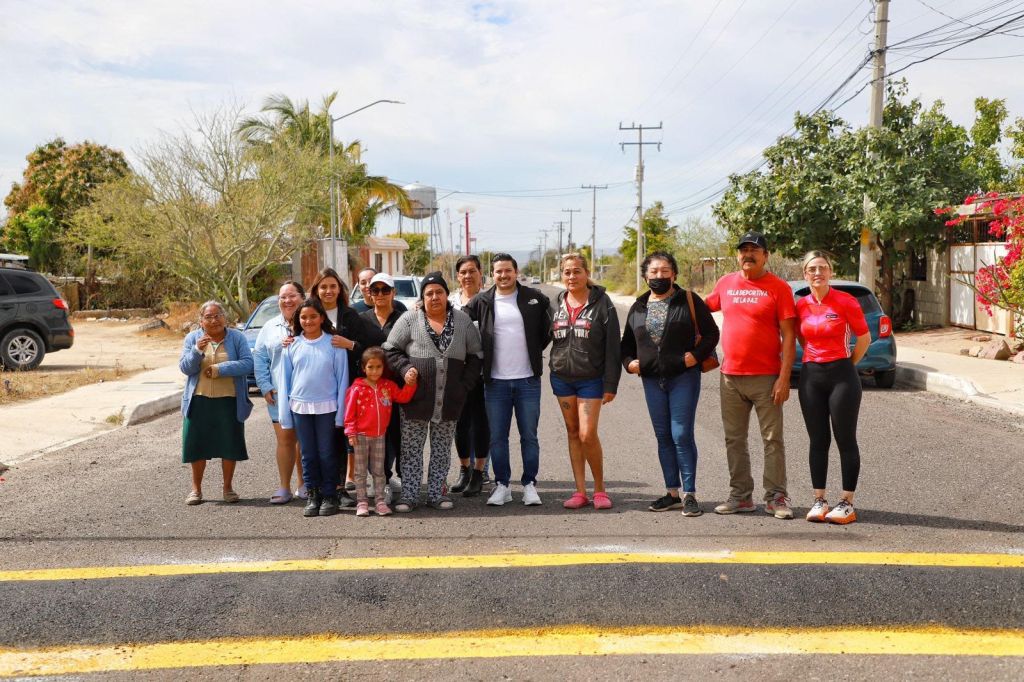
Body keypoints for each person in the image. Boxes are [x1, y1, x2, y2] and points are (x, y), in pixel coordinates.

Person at [705, 231, 797, 519]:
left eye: (754, 250)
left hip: (767, 377)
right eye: (743, 250)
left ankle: (776, 497)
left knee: (772, 439)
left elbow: (789, 336)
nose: (748, 254)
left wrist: (784, 378)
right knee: (734, 440)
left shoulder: (778, 288)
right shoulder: (725, 284)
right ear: (737, 255)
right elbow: (698, 308)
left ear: (765, 256)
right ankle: (740, 496)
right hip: (730, 376)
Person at [621, 252, 720, 517]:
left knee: (681, 434)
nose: (659, 276)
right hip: (652, 380)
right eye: (653, 272)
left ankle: (690, 494)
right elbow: (626, 345)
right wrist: (629, 363)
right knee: (663, 436)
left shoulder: (688, 300)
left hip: (683, 377)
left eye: (665, 271)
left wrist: (695, 357)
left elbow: (712, 333)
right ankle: (672, 493)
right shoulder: (638, 306)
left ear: (674, 274)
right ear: (645, 276)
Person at [384, 272, 483, 512]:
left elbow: (476, 356)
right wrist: (405, 368)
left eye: (439, 292)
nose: (434, 297)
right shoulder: (409, 319)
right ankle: (409, 495)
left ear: (447, 295)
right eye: (429, 293)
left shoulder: (462, 322)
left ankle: (437, 493)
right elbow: (390, 349)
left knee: (441, 449)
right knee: (411, 450)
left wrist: (464, 386)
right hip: (415, 399)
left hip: (449, 400)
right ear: (423, 297)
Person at [464, 254, 552, 507]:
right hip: (495, 382)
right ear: (492, 275)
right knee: (498, 437)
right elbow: (458, 319)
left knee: (529, 436)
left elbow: (548, 330)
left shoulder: (534, 298)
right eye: (498, 272)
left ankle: (529, 485)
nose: (503, 276)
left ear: (516, 271)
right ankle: (502, 485)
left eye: (507, 271)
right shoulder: (482, 300)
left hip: (527, 381)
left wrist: (534, 351)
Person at [796, 251, 870, 525]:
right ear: (805, 274)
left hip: (842, 376)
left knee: (845, 439)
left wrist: (847, 364)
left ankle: (847, 502)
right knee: (817, 440)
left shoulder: (845, 301)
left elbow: (864, 338)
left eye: (823, 268)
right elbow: (803, 339)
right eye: (812, 269)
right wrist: (815, 359)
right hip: (811, 376)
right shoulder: (800, 305)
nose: (818, 273)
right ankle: (819, 500)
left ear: (830, 272)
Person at [549, 254, 621, 510]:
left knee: (587, 433)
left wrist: (611, 384)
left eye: (577, 271)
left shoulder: (603, 303)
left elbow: (613, 346)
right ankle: (580, 491)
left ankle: (600, 489)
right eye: (567, 272)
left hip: (592, 378)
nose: (571, 277)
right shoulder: (556, 302)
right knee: (572, 433)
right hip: (561, 378)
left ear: (587, 273)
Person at [309, 267, 385, 506]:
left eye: (333, 286)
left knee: (340, 437)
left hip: (346, 386)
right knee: (320, 441)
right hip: (317, 387)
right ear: (316, 290)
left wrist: (350, 344)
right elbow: (299, 336)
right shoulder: (310, 313)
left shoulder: (350, 316)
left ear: (339, 289)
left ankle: (339, 488)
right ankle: (318, 488)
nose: (328, 291)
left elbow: (374, 344)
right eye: (323, 286)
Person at [279, 298, 350, 517]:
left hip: (327, 408)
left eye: (312, 316)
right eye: (303, 317)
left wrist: (341, 414)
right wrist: (285, 416)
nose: (308, 321)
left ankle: (330, 494)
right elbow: (285, 382)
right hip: (300, 408)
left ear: (321, 318)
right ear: (298, 320)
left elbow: (342, 380)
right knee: (308, 454)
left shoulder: (334, 344)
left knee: (327, 452)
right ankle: (313, 493)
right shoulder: (291, 346)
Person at [178, 301, 254, 506]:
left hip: (229, 401)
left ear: (225, 318)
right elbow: (185, 368)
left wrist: (221, 369)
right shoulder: (193, 338)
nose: (214, 320)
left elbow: (248, 363)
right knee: (196, 445)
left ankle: (228, 488)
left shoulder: (236, 337)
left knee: (229, 445)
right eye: (208, 317)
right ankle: (196, 489)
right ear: (201, 322)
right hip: (199, 400)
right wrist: (196, 351)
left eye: (217, 315)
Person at [343, 347, 417, 517]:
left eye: (378, 367)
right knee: (360, 472)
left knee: (379, 471)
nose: (375, 371)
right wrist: (351, 432)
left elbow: (403, 397)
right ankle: (362, 502)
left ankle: (380, 501)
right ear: (363, 368)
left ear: (384, 368)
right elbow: (349, 413)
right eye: (370, 367)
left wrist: (411, 384)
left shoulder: (388, 386)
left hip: (379, 436)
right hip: (360, 436)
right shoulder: (356, 388)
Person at [253, 281, 307, 504]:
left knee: (304, 441)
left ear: (302, 298)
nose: (287, 301)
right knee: (285, 440)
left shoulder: (311, 322)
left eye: (292, 296)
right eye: (283, 297)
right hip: (278, 394)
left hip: (307, 394)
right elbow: (260, 358)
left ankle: (305, 484)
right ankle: (284, 486)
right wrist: (265, 386)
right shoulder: (269, 327)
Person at [360, 272, 407, 500]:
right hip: (371, 393)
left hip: (397, 389)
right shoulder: (361, 320)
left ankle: (402, 478)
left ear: (393, 293)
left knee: (399, 435)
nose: (380, 294)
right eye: (375, 290)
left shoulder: (405, 318)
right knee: (376, 438)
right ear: (369, 293)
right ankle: (383, 481)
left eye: (385, 290)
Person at [449, 254, 490, 497]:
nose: (467, 276)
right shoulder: (450, 300)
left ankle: (480, 471)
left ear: (480, 273)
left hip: (485, 371)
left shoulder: (489, 300)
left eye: (472, 271)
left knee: (481, 422)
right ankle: (464, 469)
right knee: (460, 424)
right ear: (457, 276)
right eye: (463, 272)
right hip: (457, 373)